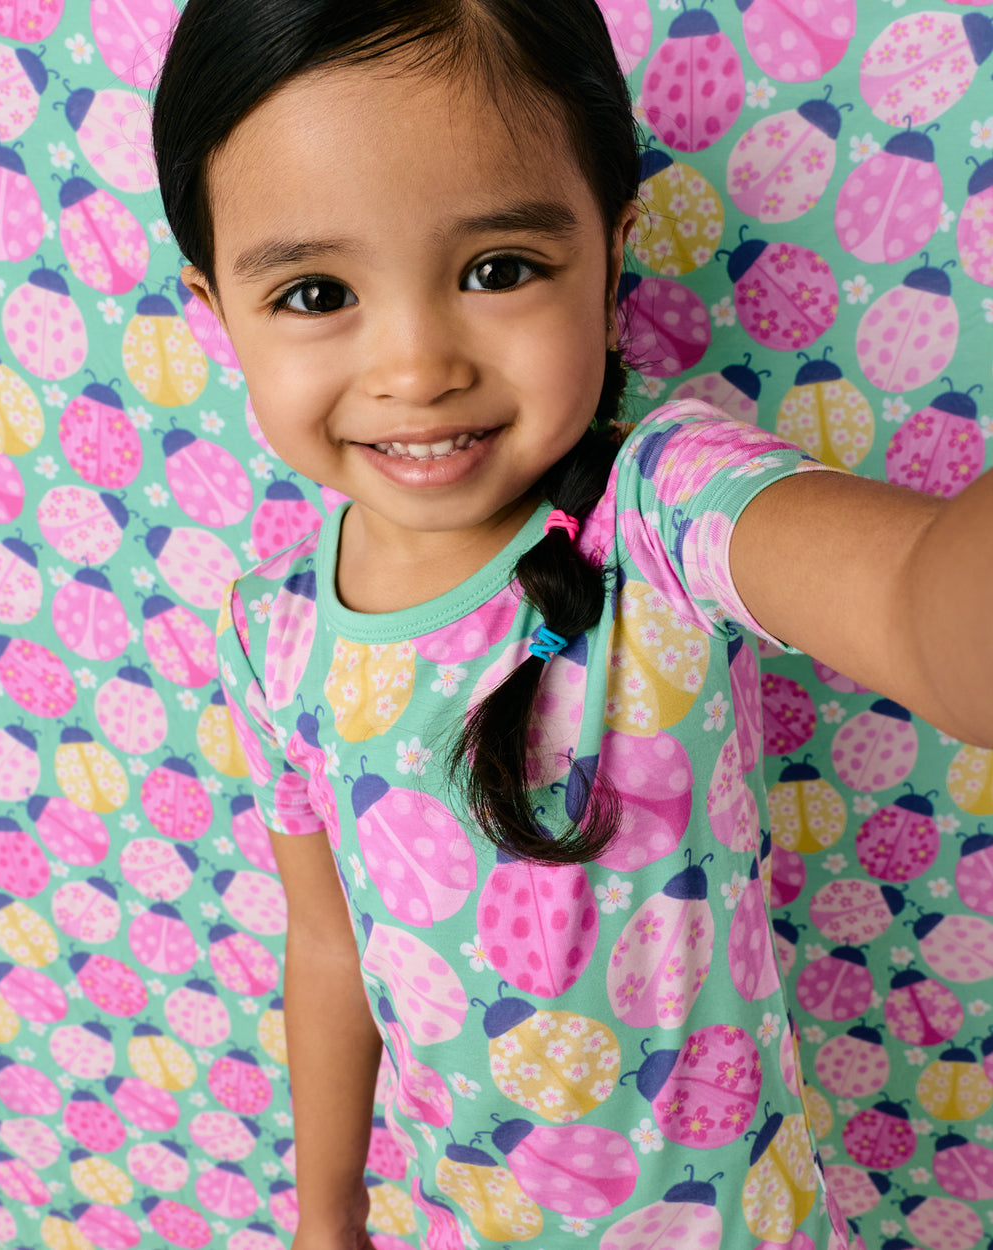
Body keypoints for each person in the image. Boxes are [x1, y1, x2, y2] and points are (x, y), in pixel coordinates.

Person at [153, 2, 992, 1247]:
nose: (418, 363)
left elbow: (926, 606)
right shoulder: (270, 629)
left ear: (611, 252)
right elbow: (329, 947)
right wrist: (325, 1213)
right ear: (217, 307)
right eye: (317, 290)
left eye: (497, 270)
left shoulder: (668, 506)